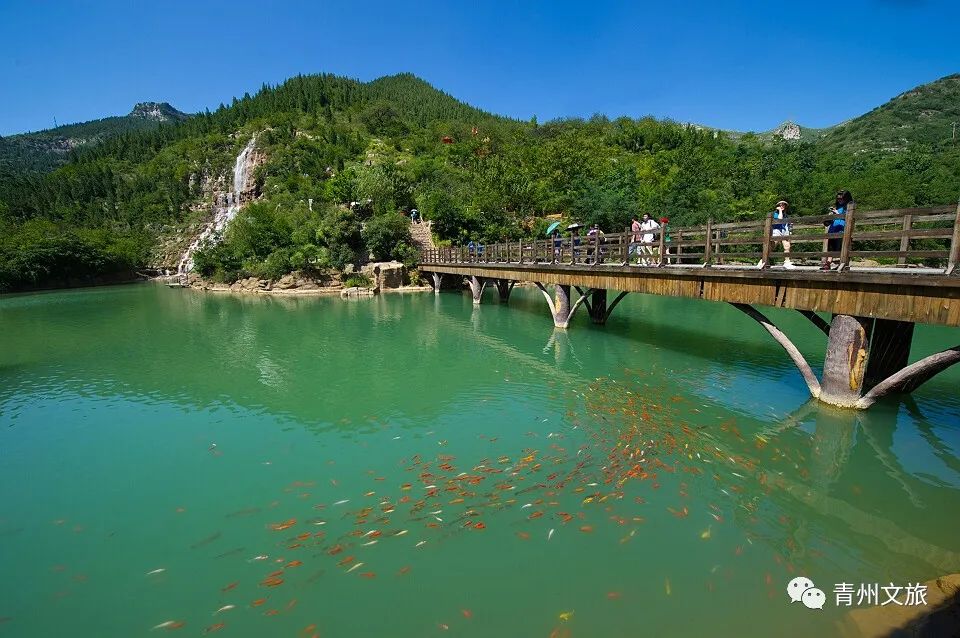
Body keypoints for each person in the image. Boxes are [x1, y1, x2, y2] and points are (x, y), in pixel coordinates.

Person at [822, 190, 853, 270]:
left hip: (841, 230)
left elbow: (848, 218)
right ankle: (828, 263)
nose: (839, 200)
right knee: (831, 248)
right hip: (832, 230)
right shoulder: (837, 207)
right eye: (838, 198)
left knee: (840, 248)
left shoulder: (848, 207)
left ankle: (841, 264)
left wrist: (837, 213)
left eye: (841, 198)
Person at [773, 200, 795, 269]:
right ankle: (763, 260)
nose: (782, 206)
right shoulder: (775, 214)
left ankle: (787, 262)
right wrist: (779, 210)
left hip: (784, 232)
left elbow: (788, 225)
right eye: (780, 205)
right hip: (777, 231)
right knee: (772, 246)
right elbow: (779, 220)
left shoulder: (786, 216)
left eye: (783, 205)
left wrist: (789, 232)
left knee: (787, 246)